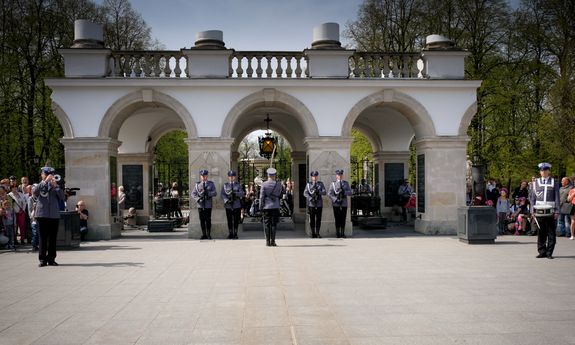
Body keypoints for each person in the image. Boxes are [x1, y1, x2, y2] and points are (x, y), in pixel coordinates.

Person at [33, 166, 65, 267]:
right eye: (46, 174)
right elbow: (35, 192)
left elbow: (62, 197)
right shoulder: (38, 185)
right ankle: (42, 259)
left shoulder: (55, 185)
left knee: (52, 238)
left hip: (54, 215)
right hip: (42, 214)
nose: (48, 176)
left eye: (50, 175)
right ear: (42, 175)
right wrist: (44, 182)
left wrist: (56, 186)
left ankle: (51, 259)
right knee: (42, 238)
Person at [530, 163, 560, 259]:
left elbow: (557, 198)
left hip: (551, 211)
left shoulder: (554, 182)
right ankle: (542, 251)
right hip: (539, 211)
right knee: (541, 232)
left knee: (551, 232)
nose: (544, 172)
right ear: (540, 172)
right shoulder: (535, 183)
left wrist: (557, 211)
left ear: (549, 171)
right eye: (542, 171)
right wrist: (532, 211)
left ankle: (549, 253)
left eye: (546, 170)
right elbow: (532, 198)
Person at [191, 169, 217, 240]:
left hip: (208, 205)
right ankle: (204, 234)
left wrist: (208, 193)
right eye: (202, 176)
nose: (204, 177)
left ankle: (208, 234)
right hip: (200, 205)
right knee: (202, 220)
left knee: (208, 220)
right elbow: (193, 194)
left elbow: (215, 192)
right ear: (200, 176)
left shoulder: (211, 184)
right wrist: (198, 199)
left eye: (205, 175)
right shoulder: (197, 184)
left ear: (207, 176)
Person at [260, 168, 282, 246]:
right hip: (275, 206)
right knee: (274, 224)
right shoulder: (278, 184)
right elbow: (279, 194)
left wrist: (261, 206)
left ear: (268, 175)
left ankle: (267, 241)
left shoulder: (264, 184)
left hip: (266, 206)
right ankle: (273, 241)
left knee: (266, 224)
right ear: (274, 175)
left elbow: (262, 196)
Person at [328, 169, 353, 238]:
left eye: (341, 175)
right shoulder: (333, 184)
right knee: (337, 219)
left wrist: (344, 192)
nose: (340, 176)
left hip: (344, 203)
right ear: (336, 176)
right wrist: (335, 199)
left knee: (343, 219)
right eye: (338, 175)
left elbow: (350, 193)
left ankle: (342, 233)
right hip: (336, 204)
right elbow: (329, 193)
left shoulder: (346, 183)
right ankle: (338, 233)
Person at [221, 170, 244, 239]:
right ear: (228, 177)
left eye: (233, 176)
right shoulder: (225, 185)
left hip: (236, 205)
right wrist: (226, 200)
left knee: (236, 220)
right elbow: (222, 194)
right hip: (228, 205)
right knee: (229, 220)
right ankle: (230, 233)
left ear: (235, 177)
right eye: (230, 176)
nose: (231, 177)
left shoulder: (238, 185)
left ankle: (235, 233)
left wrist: (235, 193)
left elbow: (242, 193)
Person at [303, 171, 327, 238]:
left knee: (318, 219)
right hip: (311, 204)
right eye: (313, 176)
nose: (315, 177)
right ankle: (313, 233)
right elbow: (305, 193)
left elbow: (324, 192)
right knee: (312, 219)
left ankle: (317, 233)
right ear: (311, 177)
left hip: (319, 204)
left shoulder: (320, 184)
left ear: (317, 176)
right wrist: (310, 198)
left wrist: (319, 192)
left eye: (316, 176)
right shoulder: (308, 184)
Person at [26, 185, 39, 251]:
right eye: (33, 190)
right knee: (35, 232)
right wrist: (31, 217)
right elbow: (29, 210)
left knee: (39, 232)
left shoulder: (40, 197)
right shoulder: (30, 199)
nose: (34, 191)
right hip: (34, 218)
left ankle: (39, 245)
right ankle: (34, 246)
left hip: (40, 217)